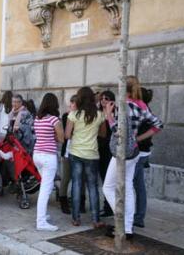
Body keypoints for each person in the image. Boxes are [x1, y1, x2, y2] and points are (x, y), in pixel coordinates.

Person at [103, 76, 163, 239]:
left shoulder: (124, 105)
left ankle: (121, 220)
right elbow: (158, 125)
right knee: (128, 187)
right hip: (134, 152)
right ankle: (127, 228)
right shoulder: (142, 105)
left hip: (122, 152)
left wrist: (108, 115)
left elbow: (118, 131)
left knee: (107, 187)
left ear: (123, 88)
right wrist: (137, 138)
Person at [65, 86, 107, 228]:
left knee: (76, 184)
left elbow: (66, 135)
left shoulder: (74, 115)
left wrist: (77, 134)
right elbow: (103, 134)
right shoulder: (100, 115)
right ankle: (96, 219)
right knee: (93, 186)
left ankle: (76, 218)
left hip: (76, 152)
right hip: (92, 154)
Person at [33, 93, 64, 231]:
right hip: (48, 157)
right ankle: (41, 222)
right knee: (46, 189)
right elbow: (61, 139)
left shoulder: (37, 119)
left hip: (37, 155)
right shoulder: (54, 120)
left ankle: (43, 215)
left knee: (44, 186)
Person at [133, 87, 155, 228]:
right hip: (143, 152)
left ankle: (131, 218)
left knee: (129, 185)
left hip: (137, 153)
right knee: (139, 185)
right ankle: (139, 217)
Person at [97, 90, 116, 218]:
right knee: (104, 178)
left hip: (110, 149)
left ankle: (109, 207)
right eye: (102, 98)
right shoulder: (97, 112)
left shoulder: (115, 112)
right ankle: (107, 206)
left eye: (106, 98)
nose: (103, 100)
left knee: (108, 180)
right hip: (100, 148)